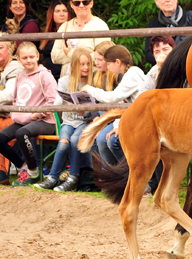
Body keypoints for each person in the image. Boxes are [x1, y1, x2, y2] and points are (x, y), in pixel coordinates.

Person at [35, 48, 95, 192]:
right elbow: (56, 104)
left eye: (88, 64)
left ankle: (73, 177)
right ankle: (52, 178)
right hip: (68, 122)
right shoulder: (64, 81)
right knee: (62, 145)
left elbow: (95, 109)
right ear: (74, 65)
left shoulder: (93, 82)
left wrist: (83, 110)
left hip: (84, 122)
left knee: (75, 140)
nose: (85, 68)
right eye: (82, 64)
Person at [0, 42, 57, 186]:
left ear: (38, 56)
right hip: (22, 120)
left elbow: (54, 101)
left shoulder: (44, 75)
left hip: (44, 122)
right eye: (25, 58)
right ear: (18, 59)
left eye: (32, 56)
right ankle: (23, 167)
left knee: (21, 133)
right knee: (0, 138)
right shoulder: (20, 75)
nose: (29, 60)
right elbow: (16, 98)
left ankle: (33, 173)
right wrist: (14, 114)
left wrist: (36, 115)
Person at [81, 45, 146, 165]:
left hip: (142, 120)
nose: (108, 67)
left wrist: (90, 89)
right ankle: (122, 174)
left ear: (117, 62)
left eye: (109, 64)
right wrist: (117, 126)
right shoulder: (124, 75)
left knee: (113, 141)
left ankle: (130, 171)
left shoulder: (133, 73)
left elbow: (112, 98)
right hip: (133, 119)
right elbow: (120, 104)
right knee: (110, 140)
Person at [139, 36, 175, 196]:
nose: (162, 55)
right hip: (159, 121)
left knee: (158, 139)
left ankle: (163, 186)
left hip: (178, 118)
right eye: (157, 52)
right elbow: (141, 96)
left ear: (173, 50)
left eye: (166, 50)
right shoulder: (153, 71)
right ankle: (153, 183)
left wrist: (161, 70)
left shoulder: (181, 66)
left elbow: (164, 96)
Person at [51, 0, 110, 76]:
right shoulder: (65, 26)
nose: (81, 5)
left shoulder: (100, 26)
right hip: (67, 79)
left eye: (85, 2)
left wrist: (70, 54)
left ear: (91, 3)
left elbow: (103, 57)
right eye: (77, 3)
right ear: (71, 4)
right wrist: (88, 55)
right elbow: (54, 56)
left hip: (91, 79)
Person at [144, 0, 192, 65]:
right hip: (164, 69)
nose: (168, 0)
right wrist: (167, 62)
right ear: (156, 1)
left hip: (189, 67)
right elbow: (148, 54)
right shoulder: (153, 25)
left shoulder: (191, 18)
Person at [0, 37, 24, 184]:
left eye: (1, 47)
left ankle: (1, 173)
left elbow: (9, 95)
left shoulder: (15, 68)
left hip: (14, 116)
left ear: (10, 50)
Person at [40, 0, 72, 80]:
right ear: (52, 14)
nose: (62, 14)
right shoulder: (46, 34)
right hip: (49, 77)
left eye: (65, 11)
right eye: (57, 11)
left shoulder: (74, 31)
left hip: (67, 75)